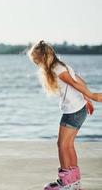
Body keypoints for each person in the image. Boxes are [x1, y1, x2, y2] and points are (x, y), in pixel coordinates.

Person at [28, 40, 102, 190]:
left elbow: (75, 84)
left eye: (37, 60)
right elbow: (79, 80)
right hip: (78, 109)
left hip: (73, 111)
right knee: (68, 145)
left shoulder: (56, 68)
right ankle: (74, 182)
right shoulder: (62, 65)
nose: (37, 64)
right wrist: (86, 100)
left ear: (44, 57)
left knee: (62, 145)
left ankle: (65, 183)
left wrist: (92, 96)